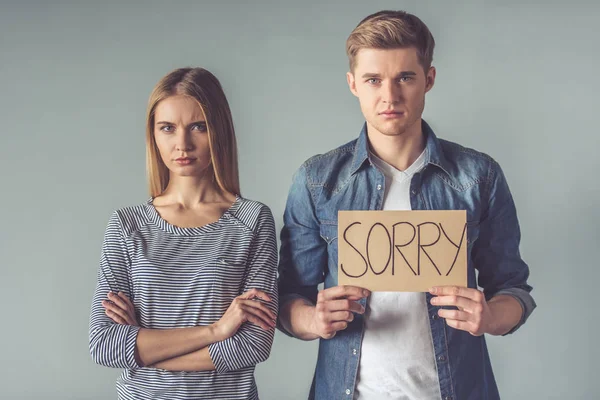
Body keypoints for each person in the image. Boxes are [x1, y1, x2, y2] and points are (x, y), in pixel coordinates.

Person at [277, 10, 536, 400]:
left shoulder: (478, 176)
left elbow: (513, 289)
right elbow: (288, 297)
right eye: (373, 80)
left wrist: (491, 315)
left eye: (405, 78)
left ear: (428, 79)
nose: (390, 96)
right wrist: (313, 319)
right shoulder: (317, 181)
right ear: (353, 84)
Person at [89, 67, 278, 400]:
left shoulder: (252, 220)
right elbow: (105, 345)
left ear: (218, 130)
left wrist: (146, 346)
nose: (183, 144)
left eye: (198, 127)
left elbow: (252, 345)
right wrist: (216, 330)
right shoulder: (127, 225)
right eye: (167, 128)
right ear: (154, 135)